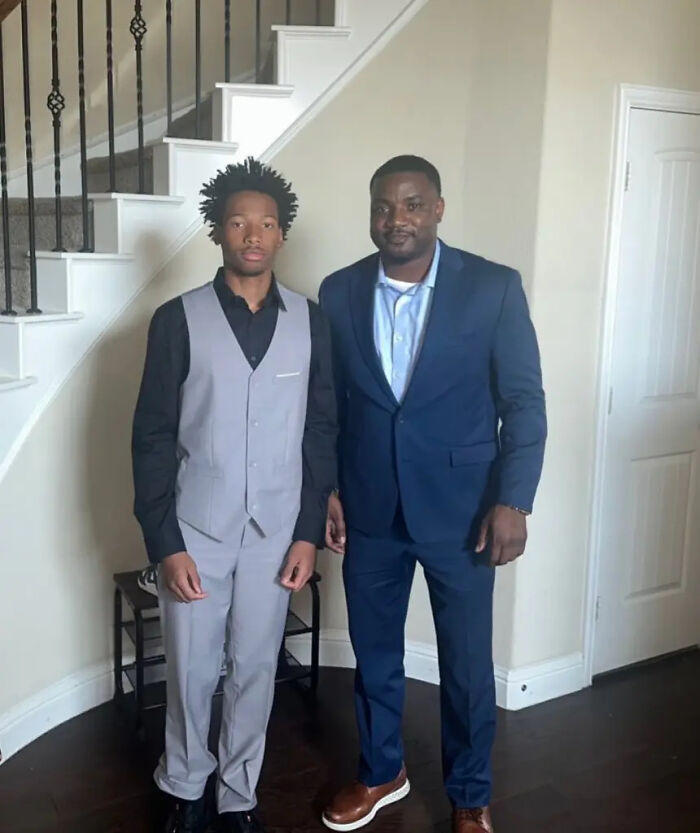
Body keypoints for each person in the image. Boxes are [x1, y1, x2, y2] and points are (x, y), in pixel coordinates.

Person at [318, 155, 546, 833]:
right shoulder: (337, 292)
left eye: (412, 204)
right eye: (384, 207)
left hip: (465, 514)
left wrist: (515, 498)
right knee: (376, 654)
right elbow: (327, 404)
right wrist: (327, 487)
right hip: (370, 509)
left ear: (439, 208)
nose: (397, 220)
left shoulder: (492, 288)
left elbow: (524, 401)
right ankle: (381, 769)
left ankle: (470, 794)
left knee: (469, 665)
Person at [132, 157, 337, 833]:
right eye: (239, 221)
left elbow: (320, 431)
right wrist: (164, 541)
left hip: (278, 533)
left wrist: (308, 531)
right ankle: (186, 784)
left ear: (282, 234)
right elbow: (153, 436)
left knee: (254, 665)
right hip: (196, 530)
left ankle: (237, 793)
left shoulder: (314, 323)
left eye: (267, 222)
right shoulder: (177, 319)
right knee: (191, 669)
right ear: (219, 231)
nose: (253, 233)